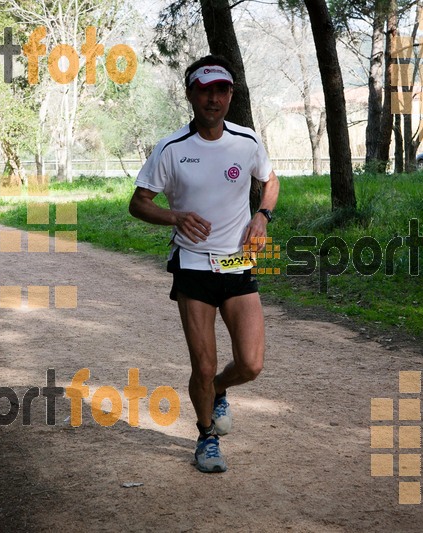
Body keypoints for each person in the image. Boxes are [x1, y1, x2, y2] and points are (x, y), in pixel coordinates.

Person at [129, 55, 280, 473]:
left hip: (238, 263)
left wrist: (261, 215)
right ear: (191, 94)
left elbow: (270, 181)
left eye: (222, 90)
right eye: (205, 89)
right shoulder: (171, 149)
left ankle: (215, 391)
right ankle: (206, 436)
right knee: (204, 362)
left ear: (231, 94)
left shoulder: (246, 141)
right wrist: (175, 217)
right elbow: (138, 204)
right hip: (193, 265)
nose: (213, 98)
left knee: (250, 364)